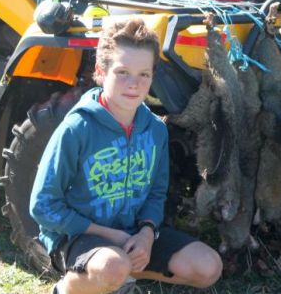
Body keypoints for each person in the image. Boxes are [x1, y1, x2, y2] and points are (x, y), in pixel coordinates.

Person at [30, 18, 223, 294]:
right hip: (78, 236)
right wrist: (111, 236)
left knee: (208, 267)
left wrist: (146, 234)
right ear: (101, 71)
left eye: (144, 74)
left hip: (132, 235)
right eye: (122, 72)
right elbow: (42, 205)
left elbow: (157, 193)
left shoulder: (156, 130)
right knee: (113, 265)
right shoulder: (77, 128)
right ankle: (68, 288)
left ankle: (121, 276)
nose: (134, 84)